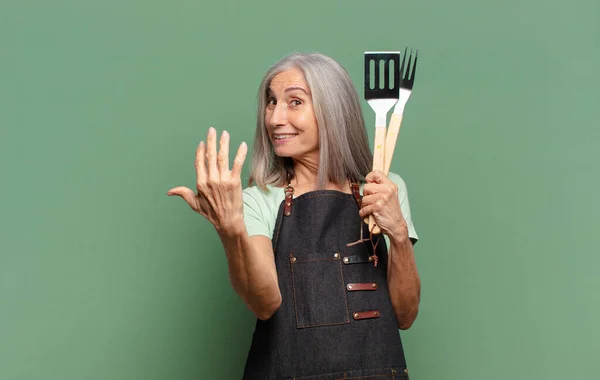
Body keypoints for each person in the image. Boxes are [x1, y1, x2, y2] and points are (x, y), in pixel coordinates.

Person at [167, 53, 421, 379]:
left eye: (295, 102)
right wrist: (230, 231)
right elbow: (265, 303)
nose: (274, 118)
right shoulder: (259, 199)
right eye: (271, 102)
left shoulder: (385, 188)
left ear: (334, 112)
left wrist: (398, 232)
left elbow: (406, 314)